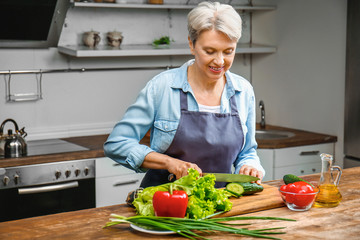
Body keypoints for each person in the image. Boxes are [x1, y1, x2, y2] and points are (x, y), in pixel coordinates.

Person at [104, 1, 265, 188]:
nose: (219, 61)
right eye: (209, 51)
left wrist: (249, 166)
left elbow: (247, 152)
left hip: (220, 203)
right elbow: (117, 143)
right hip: (164, 203)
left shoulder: (243, 91)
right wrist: (169, 163)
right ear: (191, 44)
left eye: (228, 51)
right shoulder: (162, 87)